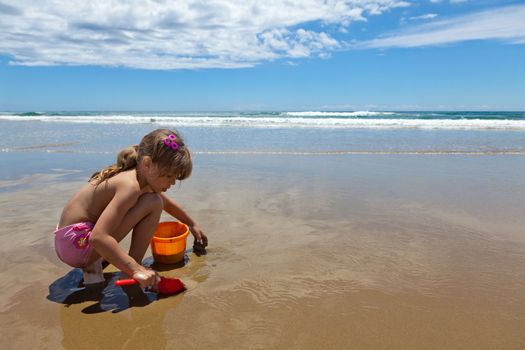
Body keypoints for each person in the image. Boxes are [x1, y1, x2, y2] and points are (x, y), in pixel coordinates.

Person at [53, 128, 206, 288]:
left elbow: (167, 203)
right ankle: (130, 268)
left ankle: (96, 264)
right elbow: (98, 237)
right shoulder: (130, 186)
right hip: (77, 246)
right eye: (168, 176)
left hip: (69, 241)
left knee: (155, 200)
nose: (172, 183)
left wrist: (191, 224)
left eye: (175, 178)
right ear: (147, 164)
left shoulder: (136, 175)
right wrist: (135, 269)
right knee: (153, 203)